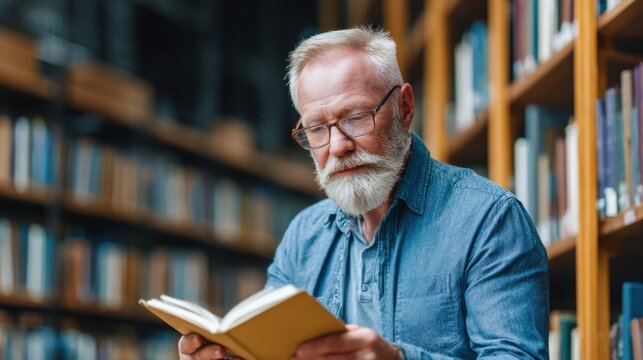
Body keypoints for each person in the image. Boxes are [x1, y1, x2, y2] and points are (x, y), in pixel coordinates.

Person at [179, 26, 549, 359]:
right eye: (317, 129)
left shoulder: (489, 219)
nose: (337, 146)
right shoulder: (303, 236)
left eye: (355, 117)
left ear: (404, 108)